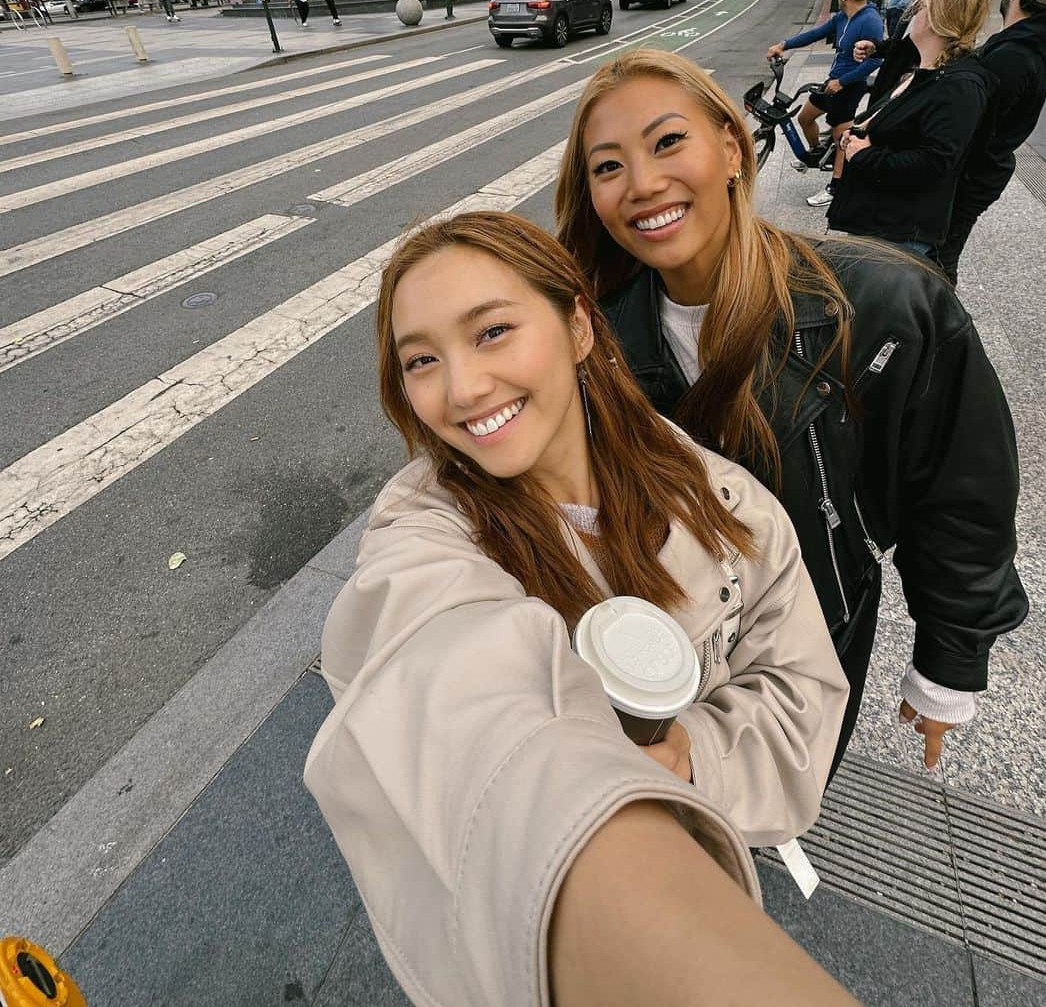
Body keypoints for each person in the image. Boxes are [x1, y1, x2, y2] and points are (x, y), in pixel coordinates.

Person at [305, 212, 851, 1007]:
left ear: (579, 327)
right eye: (421, 360)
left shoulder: (710, 491)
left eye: (491, 332)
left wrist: (691, 754)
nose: (460, 389)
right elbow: (458, 697)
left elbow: (798, 680)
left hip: (722, 840)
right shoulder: (423, 536)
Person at [554, 47, 1028, 775]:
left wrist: (949, 664)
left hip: (803, 649)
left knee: (762, 815)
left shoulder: (882, 305)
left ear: (733, 149)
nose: (643, 184)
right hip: (646, 655)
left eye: (668, 142)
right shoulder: (594, 331)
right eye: (608, 166)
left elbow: (960, 494)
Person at [936, 0, 1046, 284]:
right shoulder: (1031, 44)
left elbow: (972, 125)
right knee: (942, 253)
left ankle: (941, 328)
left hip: (971, 176)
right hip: (985, 171)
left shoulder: (1012, 57)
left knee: (939, 261)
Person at [830, 0, 994, 259]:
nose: (912, 17)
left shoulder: (959, 86)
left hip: (896, 235)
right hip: (880, 222)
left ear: (934, 17)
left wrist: (864, 155)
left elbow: (935, 162)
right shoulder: (929, 73)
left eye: (918, 8)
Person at [766, 0, 884, 207]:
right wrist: (784, 45)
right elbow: (815, 34)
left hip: (850, 86)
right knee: (805, 117)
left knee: (842, 138)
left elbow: (875, 60)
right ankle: (816, 153)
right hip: (832, 82)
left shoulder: (870, 21)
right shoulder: (842, 17)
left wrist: (842, 82)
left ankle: (835, 188)